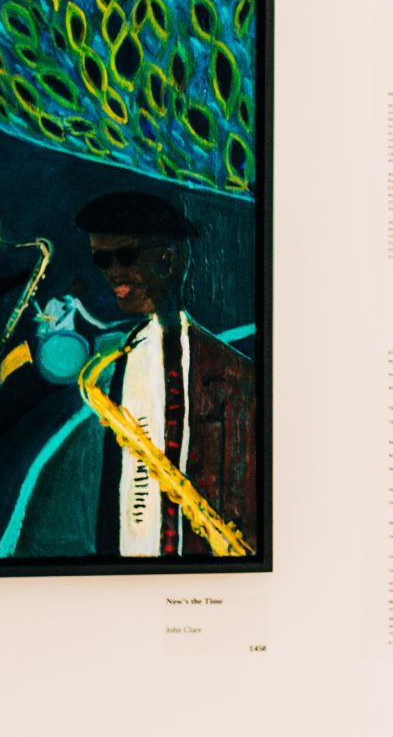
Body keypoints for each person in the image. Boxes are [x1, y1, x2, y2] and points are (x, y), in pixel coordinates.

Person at [75, 191, 258, 557]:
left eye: (125, 255)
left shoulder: (236, 374)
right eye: (102, 258)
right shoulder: (113, 366)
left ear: (168, 260)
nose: (112, 271)